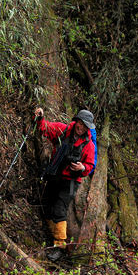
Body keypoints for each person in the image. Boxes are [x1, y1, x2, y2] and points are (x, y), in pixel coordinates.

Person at [34, 107, 96, 261]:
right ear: (76, 122)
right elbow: (45, 128)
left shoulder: (89, 145)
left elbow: (89, 165)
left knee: (60, 208)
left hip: (71, 181)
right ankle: (53, 237)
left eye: (85, 126)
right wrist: (40, 118)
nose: (81, 128)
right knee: (47, 204)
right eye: (80, 124)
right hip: (55, 174)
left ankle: (60, 246)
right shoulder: (64, 130)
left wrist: (82, 168)